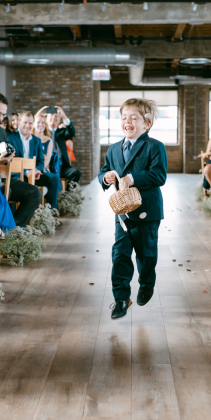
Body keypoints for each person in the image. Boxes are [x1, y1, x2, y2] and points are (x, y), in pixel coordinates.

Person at [98, 98, 167, 320]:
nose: (128, 122)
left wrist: (132, 177)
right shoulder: (114, 148)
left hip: (147, 211)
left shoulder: (155, 147)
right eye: (124, 117)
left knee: (146, 254)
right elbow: (104, 171)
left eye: (134, 118)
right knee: (120, 254)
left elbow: (159, 175)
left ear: (147, 124)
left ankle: (146, 284)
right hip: (123, 214)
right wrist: (106, 178)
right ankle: (120, 298)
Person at [0, 93, 41, 227]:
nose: (1, 119)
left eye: (3, 115)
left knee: (34, 193)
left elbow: (4, 160)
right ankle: (4, 229)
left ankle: (14, 229)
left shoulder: (1, 132)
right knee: (2, 194)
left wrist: (6, 159)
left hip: (2, 177)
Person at [9, 111, 61, 209]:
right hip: (19, 175)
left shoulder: (36, 140)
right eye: (25, 122)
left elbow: (41, 161)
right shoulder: (11, 138)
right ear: (19, 122)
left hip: (35, 174)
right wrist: (26, 172)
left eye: (30, 123)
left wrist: (37, 170)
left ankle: (51, 212)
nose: (28, 126)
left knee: (54, 178)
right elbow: (11, 160)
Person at [42, 106, 82, 183]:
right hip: (47, 166)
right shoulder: (42, 132)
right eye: (51, 115)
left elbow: (71, 132)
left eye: (56, 116)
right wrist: (39, 115)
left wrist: (64, 116)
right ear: (46, 119)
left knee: (76, 173)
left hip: (62, 167)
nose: (53, 117)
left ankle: (67, 194)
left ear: (59, 120)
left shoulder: (62, 132)